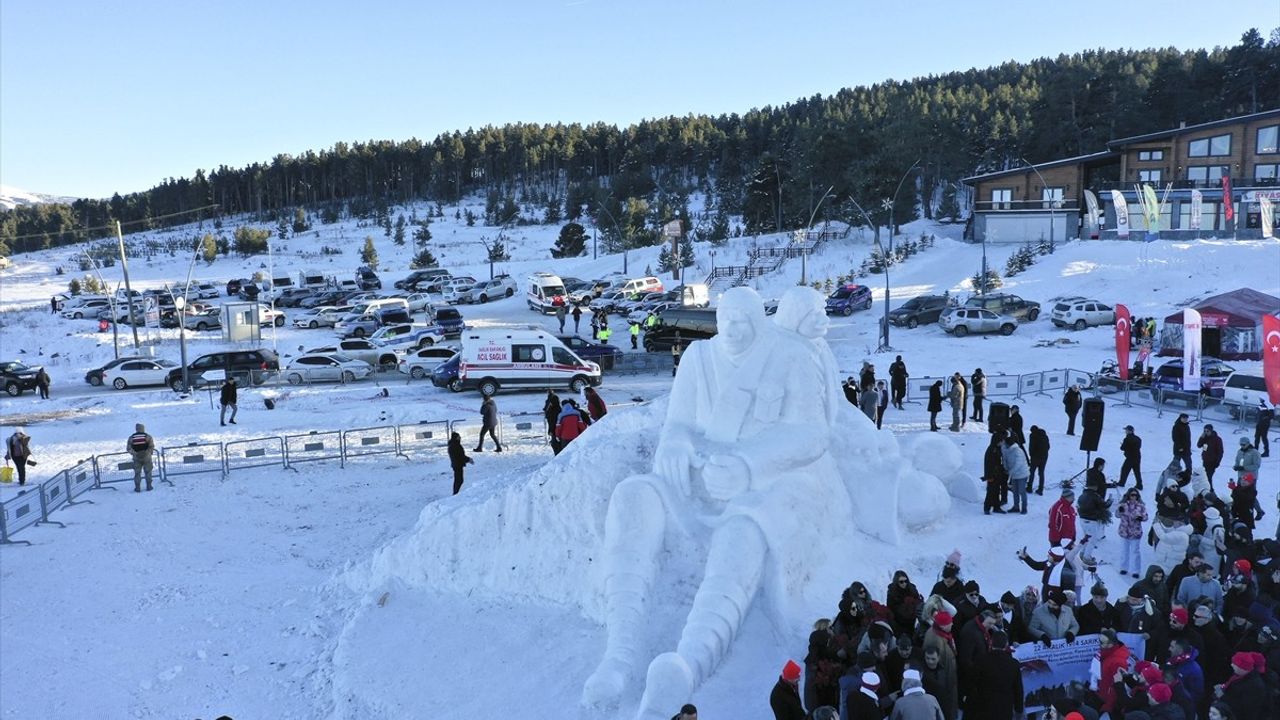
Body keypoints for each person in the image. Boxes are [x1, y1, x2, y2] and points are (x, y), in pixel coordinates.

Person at [583, 287, 847, 714]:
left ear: (761, 322)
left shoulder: (790, 356)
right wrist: (675, 445)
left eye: (746, 322)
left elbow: (813, 433)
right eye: (729, 322)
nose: (737, 331)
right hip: (697, 483)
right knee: (634, 496)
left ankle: (688, 664)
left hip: (763, 486)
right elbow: (680, 423)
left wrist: (748, 465)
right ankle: (619, 654)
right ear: (717, 322)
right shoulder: (699, 359)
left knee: (744, 531)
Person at [968, 630, 1022, 720]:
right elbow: (1018, 689)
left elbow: (973, 684)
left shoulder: (981, 661)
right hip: (1005, 708)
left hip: (984, 706)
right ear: (1006, 644)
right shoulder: (1014, 664)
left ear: (991, 643)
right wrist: (1018, 709)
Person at [1117, 487, 1149, 577]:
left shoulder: (1141, 506)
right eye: (1132, 495)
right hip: (1124, 531)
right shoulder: (1123, 505)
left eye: (1135, 495)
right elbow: (1117, 515)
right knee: (1124, 551)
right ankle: (1124, 568)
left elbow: (1146, 517)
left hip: (1135, 532)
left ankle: (1136, 571)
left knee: (1135, 552)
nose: (1133, 497)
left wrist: (1141, 518)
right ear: (1128, 495)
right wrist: (1119, 511)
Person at [1001, 434, 1030, 514]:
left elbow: (1018, 464)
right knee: (1015, 491)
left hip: (1022, 474)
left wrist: (1010, 472)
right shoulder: (1007, 450)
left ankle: (1024, 508)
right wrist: (1006, 469)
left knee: (1022, 491)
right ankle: (1016, 507)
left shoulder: (1018, 451)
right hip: (1014, 475)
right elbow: (1005, 460)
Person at [982, 433, 1007, 515]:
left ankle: (996, 506)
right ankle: (987, 507)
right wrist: (989, 476)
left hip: (997, 474)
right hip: (992, 475)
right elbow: (988, 464)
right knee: (991, 491)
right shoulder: (992, 450)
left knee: (996, 491)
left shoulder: (997, 448)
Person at [126, 422, 155, 492]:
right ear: (143, 428)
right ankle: (149, 486)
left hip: (136, 458)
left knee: (137, 473)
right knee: (148, 472)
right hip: (147, 458)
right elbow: (151, 446)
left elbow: (129, 448)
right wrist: (147, 453)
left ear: (136, 429)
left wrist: (135, 454)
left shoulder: (131, 437)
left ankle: (137, 487)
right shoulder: (148, 436)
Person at [1198, 425, 1224, 490]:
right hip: (1205, 460)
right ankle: (1207, 489)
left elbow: (1220, 452)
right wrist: (1201, 437)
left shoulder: (1217, 439)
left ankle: (1210, 490)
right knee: (1204, 477)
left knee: (1208, 477)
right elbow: (1199, 445)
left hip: (1212, 461)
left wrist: (1217, 462)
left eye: (1207, 431)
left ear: (1211, 431)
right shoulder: (1205, 438)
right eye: (1205, 431)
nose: (1206, 432)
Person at [1121, 425, 1144, 491]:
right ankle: (1139, 484)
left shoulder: (1127, 439)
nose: (1125, 431)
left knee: (1124, 470)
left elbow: (1122, 448)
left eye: (1126, 430)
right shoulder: (1138, 438)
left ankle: (1122, 482)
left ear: (1129, 431)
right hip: (1137, 457)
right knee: (1137, 471)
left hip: (1130, 457)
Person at [1028, 425, 1050, 495]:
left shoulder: (1033, 436)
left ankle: (1029, 487)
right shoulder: (1045, 436)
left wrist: (1031, 455)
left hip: (1035, 457)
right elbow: (1048, 446)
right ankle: (1040, 489)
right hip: (1044, 456)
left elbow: (1031, 447)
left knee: (1031, 472)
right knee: (1041, 473)